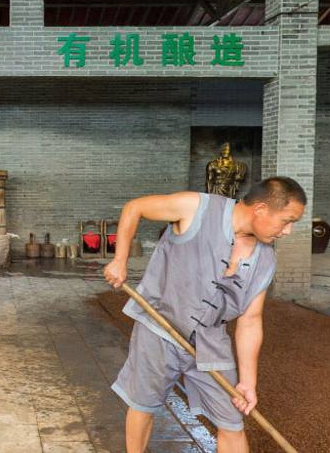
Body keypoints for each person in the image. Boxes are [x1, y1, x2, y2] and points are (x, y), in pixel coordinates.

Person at [103, 177, 306, 453]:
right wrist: (120, 259)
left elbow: (250, 320)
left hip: (211, 340)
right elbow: (135, 207)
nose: (288, 231)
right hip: (160, 327)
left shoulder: (266, 259)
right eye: (287, 221)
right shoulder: (196, 207)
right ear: (260, 209)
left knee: (232, 421)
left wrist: (248, 382)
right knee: (143, 404)